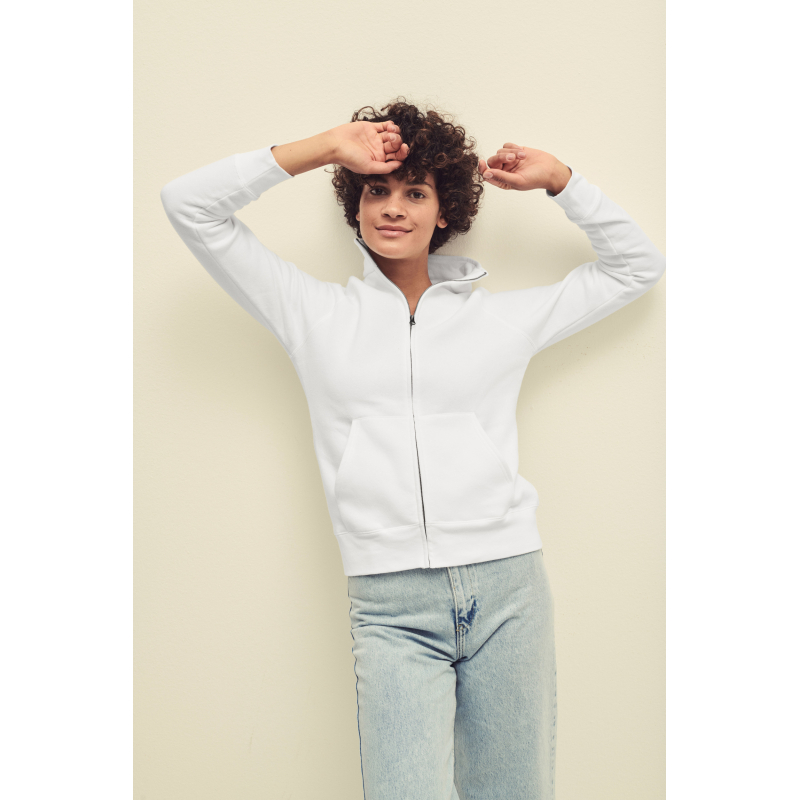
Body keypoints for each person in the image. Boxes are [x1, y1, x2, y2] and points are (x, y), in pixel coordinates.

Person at [160, 98, 666, 800]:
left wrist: (562, 181)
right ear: (356, 205)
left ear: (444, 211)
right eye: (377, 190)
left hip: (508, 590)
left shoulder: (502, 321)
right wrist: (326, 147)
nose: (393, 208)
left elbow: (636, 267)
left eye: (416, 193)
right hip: (390, 602)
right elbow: (187, 205)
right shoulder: (312, 313)